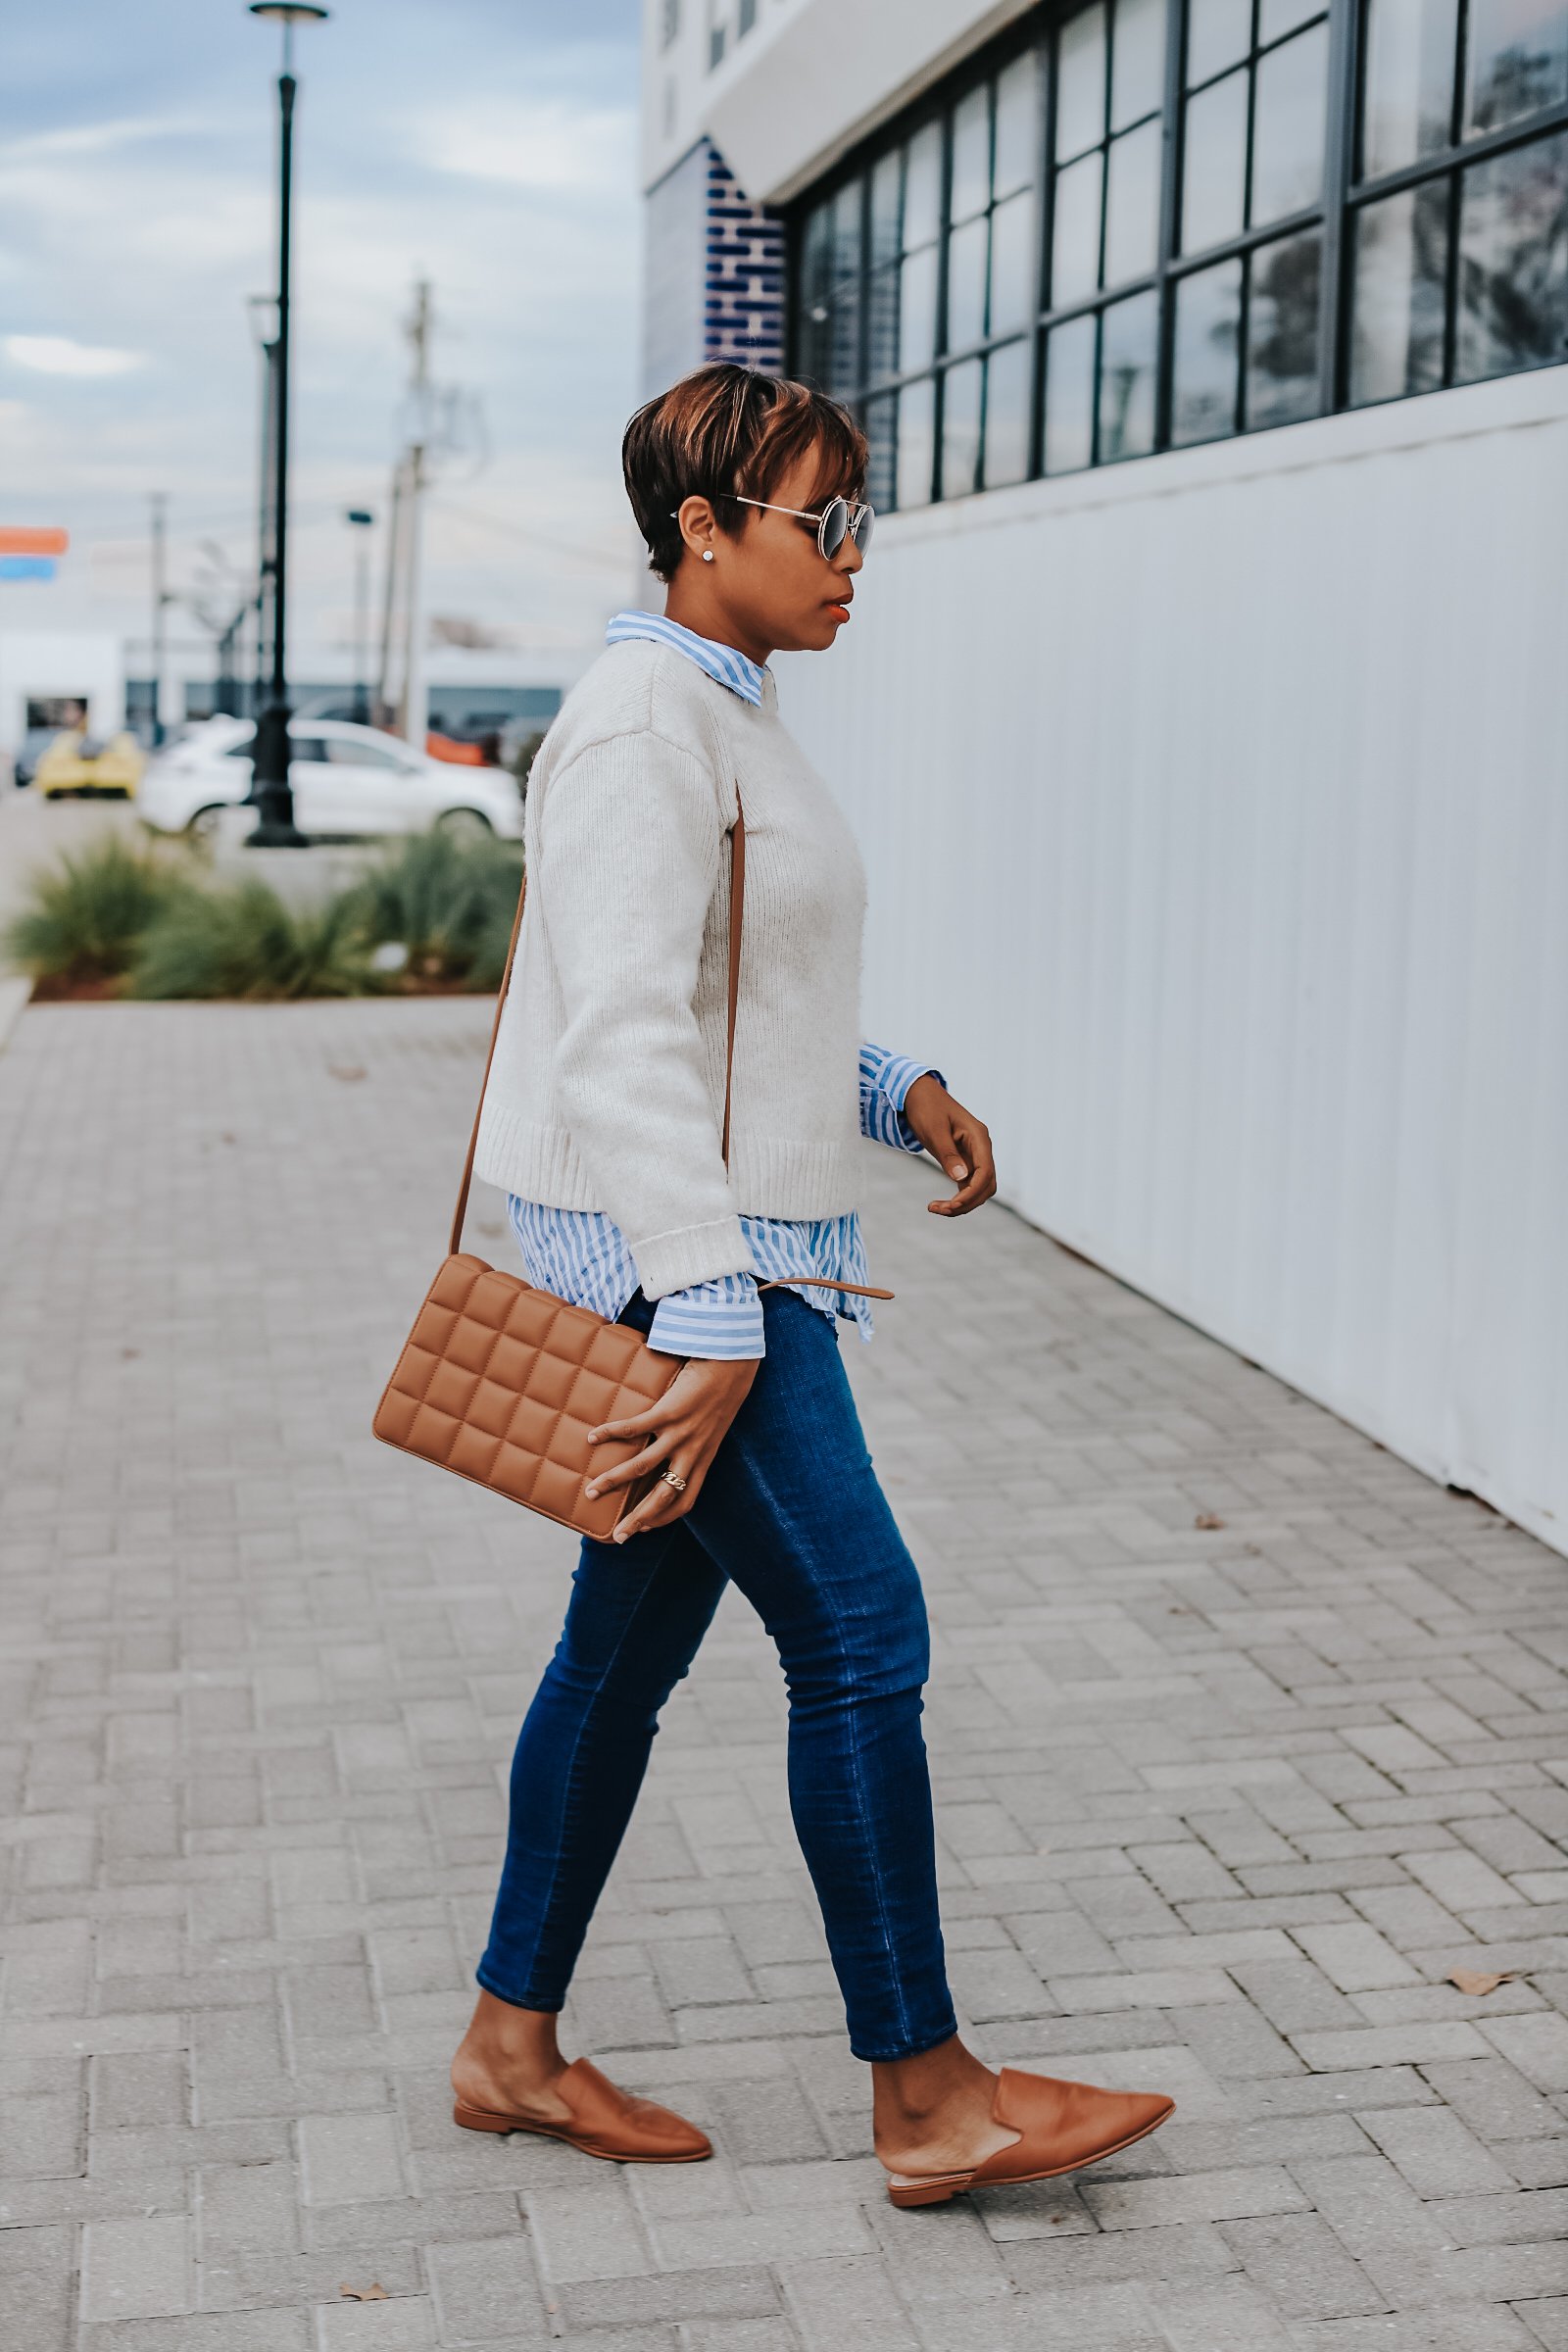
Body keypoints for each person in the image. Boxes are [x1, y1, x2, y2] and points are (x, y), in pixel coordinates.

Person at [448, 364, 1173, 2206]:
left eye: (864, 520)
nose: (858, 555)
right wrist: (702, 1309)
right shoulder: (641, 726)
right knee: (862, 1635)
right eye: (822, 521)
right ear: (705, 530)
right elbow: (613, 1040)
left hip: (706, 1255)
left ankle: (509, 2047)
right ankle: (929, 2098)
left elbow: (730, 990)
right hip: (689, 1273)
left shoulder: (728, 708)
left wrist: (891, 1089)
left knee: (619, 1667)